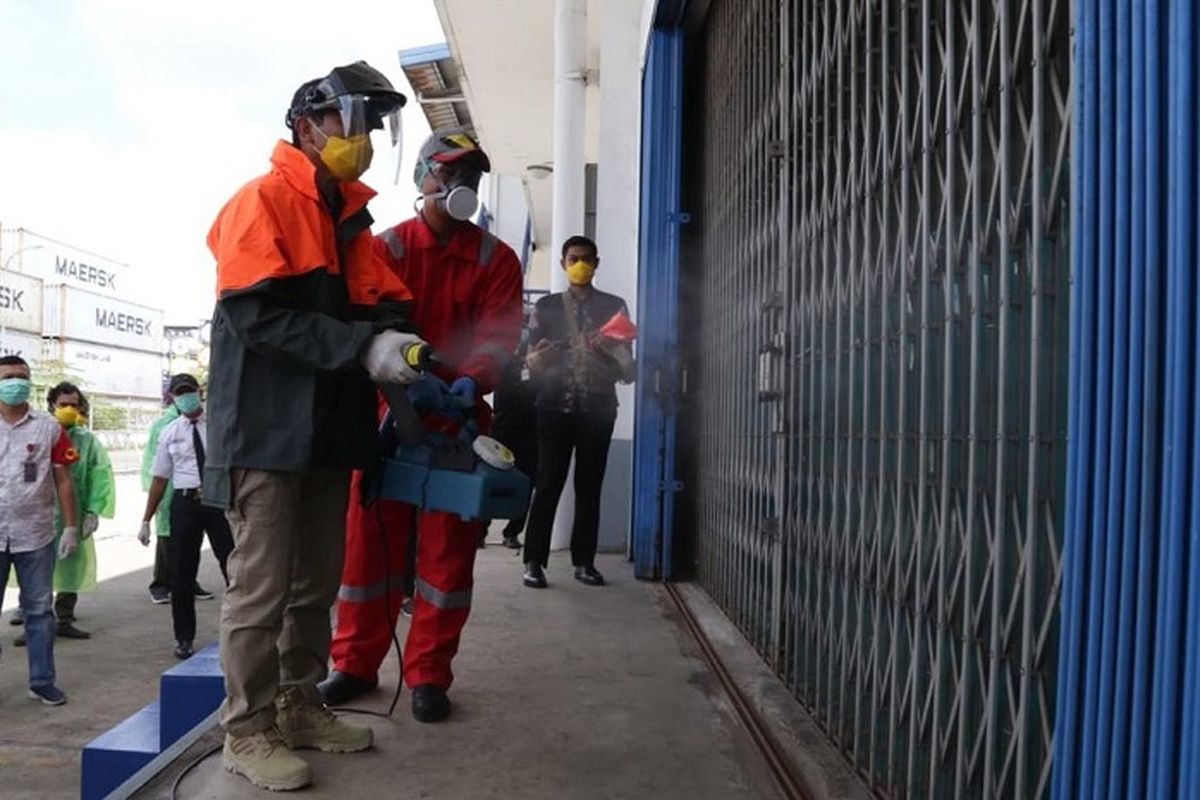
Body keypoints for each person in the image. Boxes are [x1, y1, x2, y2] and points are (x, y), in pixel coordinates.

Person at [205, 61, 423, 792]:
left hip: (329, 432)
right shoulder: (261, 202)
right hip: (265, 434)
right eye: (351, 123)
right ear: (307, 124)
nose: (362, 139)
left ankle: (299, 705)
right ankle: (246, 729)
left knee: (313, 587)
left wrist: (404, 341)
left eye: (371, 127)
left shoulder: (350, 220)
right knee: (260, 592)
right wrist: (361, 346)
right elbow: (255, 316)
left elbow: (383, 304)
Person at [319, 129, 523, 723]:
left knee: (447, 556)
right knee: (368, 551)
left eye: (473, 178)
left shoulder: (496, 258)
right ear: (424, 179)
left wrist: (472, 378)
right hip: (389, 417)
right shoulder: (386, 250)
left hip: (458, 421)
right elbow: (370, 325)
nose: (463, 187)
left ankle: (429, 675)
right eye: (452, 174)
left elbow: (499, 336)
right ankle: (355, 665)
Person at [522, 235, 636, 589]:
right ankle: (533, 562)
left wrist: (606, 350)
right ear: (562, 263)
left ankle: (584, 563)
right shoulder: (548, 307)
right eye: (573, 259)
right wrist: (540, 358)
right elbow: (528, 359)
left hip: (598, 409)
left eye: (586, 259)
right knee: (548, 483)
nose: (580, 265)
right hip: (554, 407)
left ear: (597, 263)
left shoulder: (614, 306)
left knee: (590, 487)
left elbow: (627, 366)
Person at [0, 355, 79, 705]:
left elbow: (63, 479)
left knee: (39, 611)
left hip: (35, 534)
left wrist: (71, 526)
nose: (16, 382)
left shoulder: (48, 428)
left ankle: (42, 680)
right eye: (8, 377)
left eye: (22, 376)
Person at [138, 374, 233, 660]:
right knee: (181, 574)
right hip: (185, 503)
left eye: (189, 391)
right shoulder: (169, 432)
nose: (185, 397)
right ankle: (183, 638)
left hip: (218, 503)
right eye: (179, 394)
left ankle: (243, 633)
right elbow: (159, 478)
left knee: (235, 568)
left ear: (199, 392)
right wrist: (146, 519)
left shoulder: (219, 425)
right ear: (172, 398)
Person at [38, 383, 116, 640]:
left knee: (70, 563)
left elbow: (100, 475)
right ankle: (37, 622)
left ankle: (64, 617)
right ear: (51, 406)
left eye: (73, 404)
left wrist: (94, 510)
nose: (69, 409)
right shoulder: (40, 433)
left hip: (74, 512)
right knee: (37, 566)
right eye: (63, 405)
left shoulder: (87, 440)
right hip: (40, 512)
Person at [489, 301, 539, 550]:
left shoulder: (540, 352)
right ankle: (481, 530)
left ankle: (512, 532)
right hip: (504, 423)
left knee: (527, 480)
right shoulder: (501, 352)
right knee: (492, 476)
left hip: (532, 425)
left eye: (527, 321)